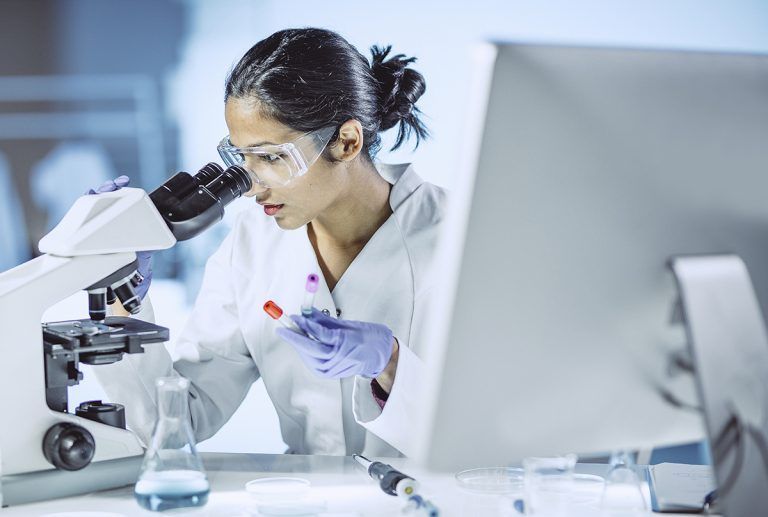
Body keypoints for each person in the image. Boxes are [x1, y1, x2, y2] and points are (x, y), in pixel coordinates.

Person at [94, 27, 445, 458]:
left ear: (347, 141)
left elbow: (500, 430)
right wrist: (121, 299)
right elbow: (175, 420)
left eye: (272, 157)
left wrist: (391, 365)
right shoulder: (251, 243)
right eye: (242, 158)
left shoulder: (457, 237)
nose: (250, 187)